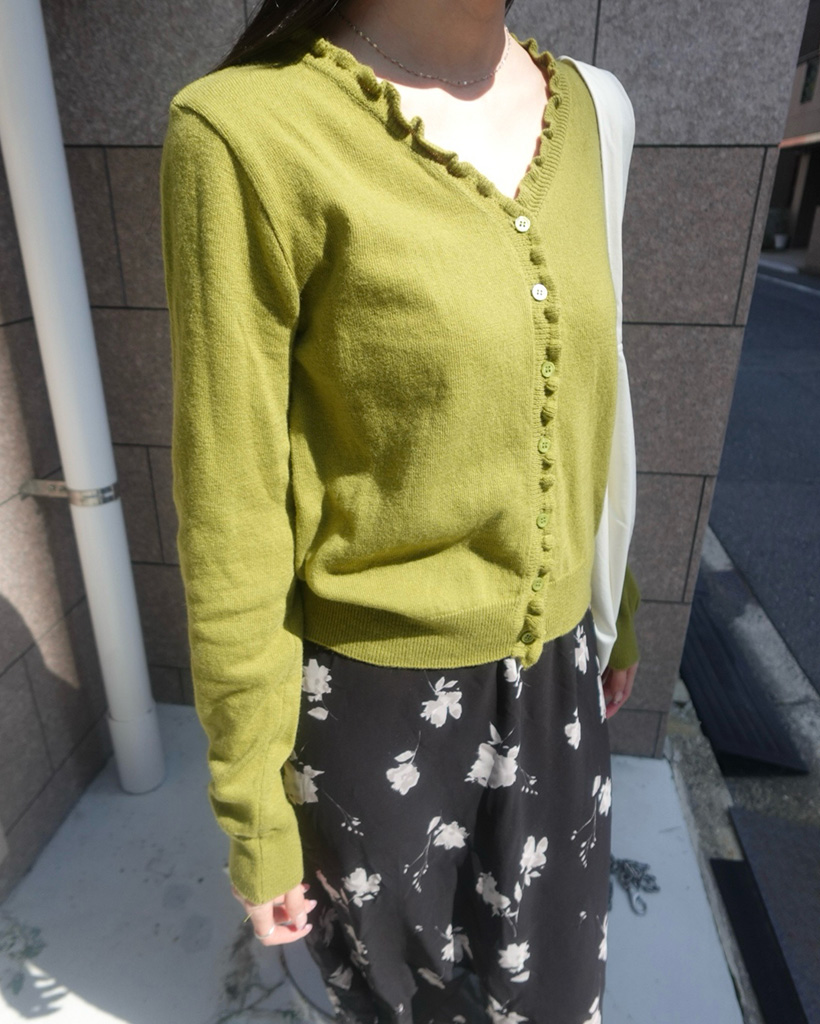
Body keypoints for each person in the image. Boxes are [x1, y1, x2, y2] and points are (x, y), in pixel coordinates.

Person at [160, 0, 641, 1020]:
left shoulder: (593, 109)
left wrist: (615, 601)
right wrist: (253, 809)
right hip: (377, 713)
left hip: (558, 681)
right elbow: (232, 507)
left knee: (556, 994)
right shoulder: (245, 132)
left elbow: (592, 399)